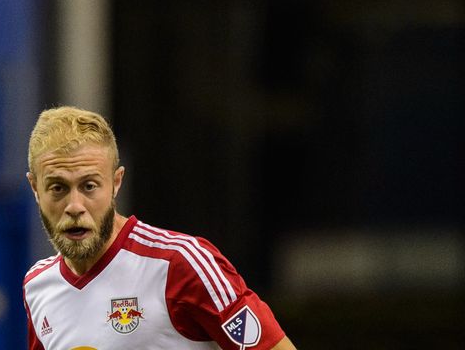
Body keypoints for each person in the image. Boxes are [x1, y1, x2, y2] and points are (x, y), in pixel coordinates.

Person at [23, 106, 296, 350]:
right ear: (35, 188)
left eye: (89, 186)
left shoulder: (180, 263)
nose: (74, 206)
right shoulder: (38, 286)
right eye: (58, 188)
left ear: (116, 183)